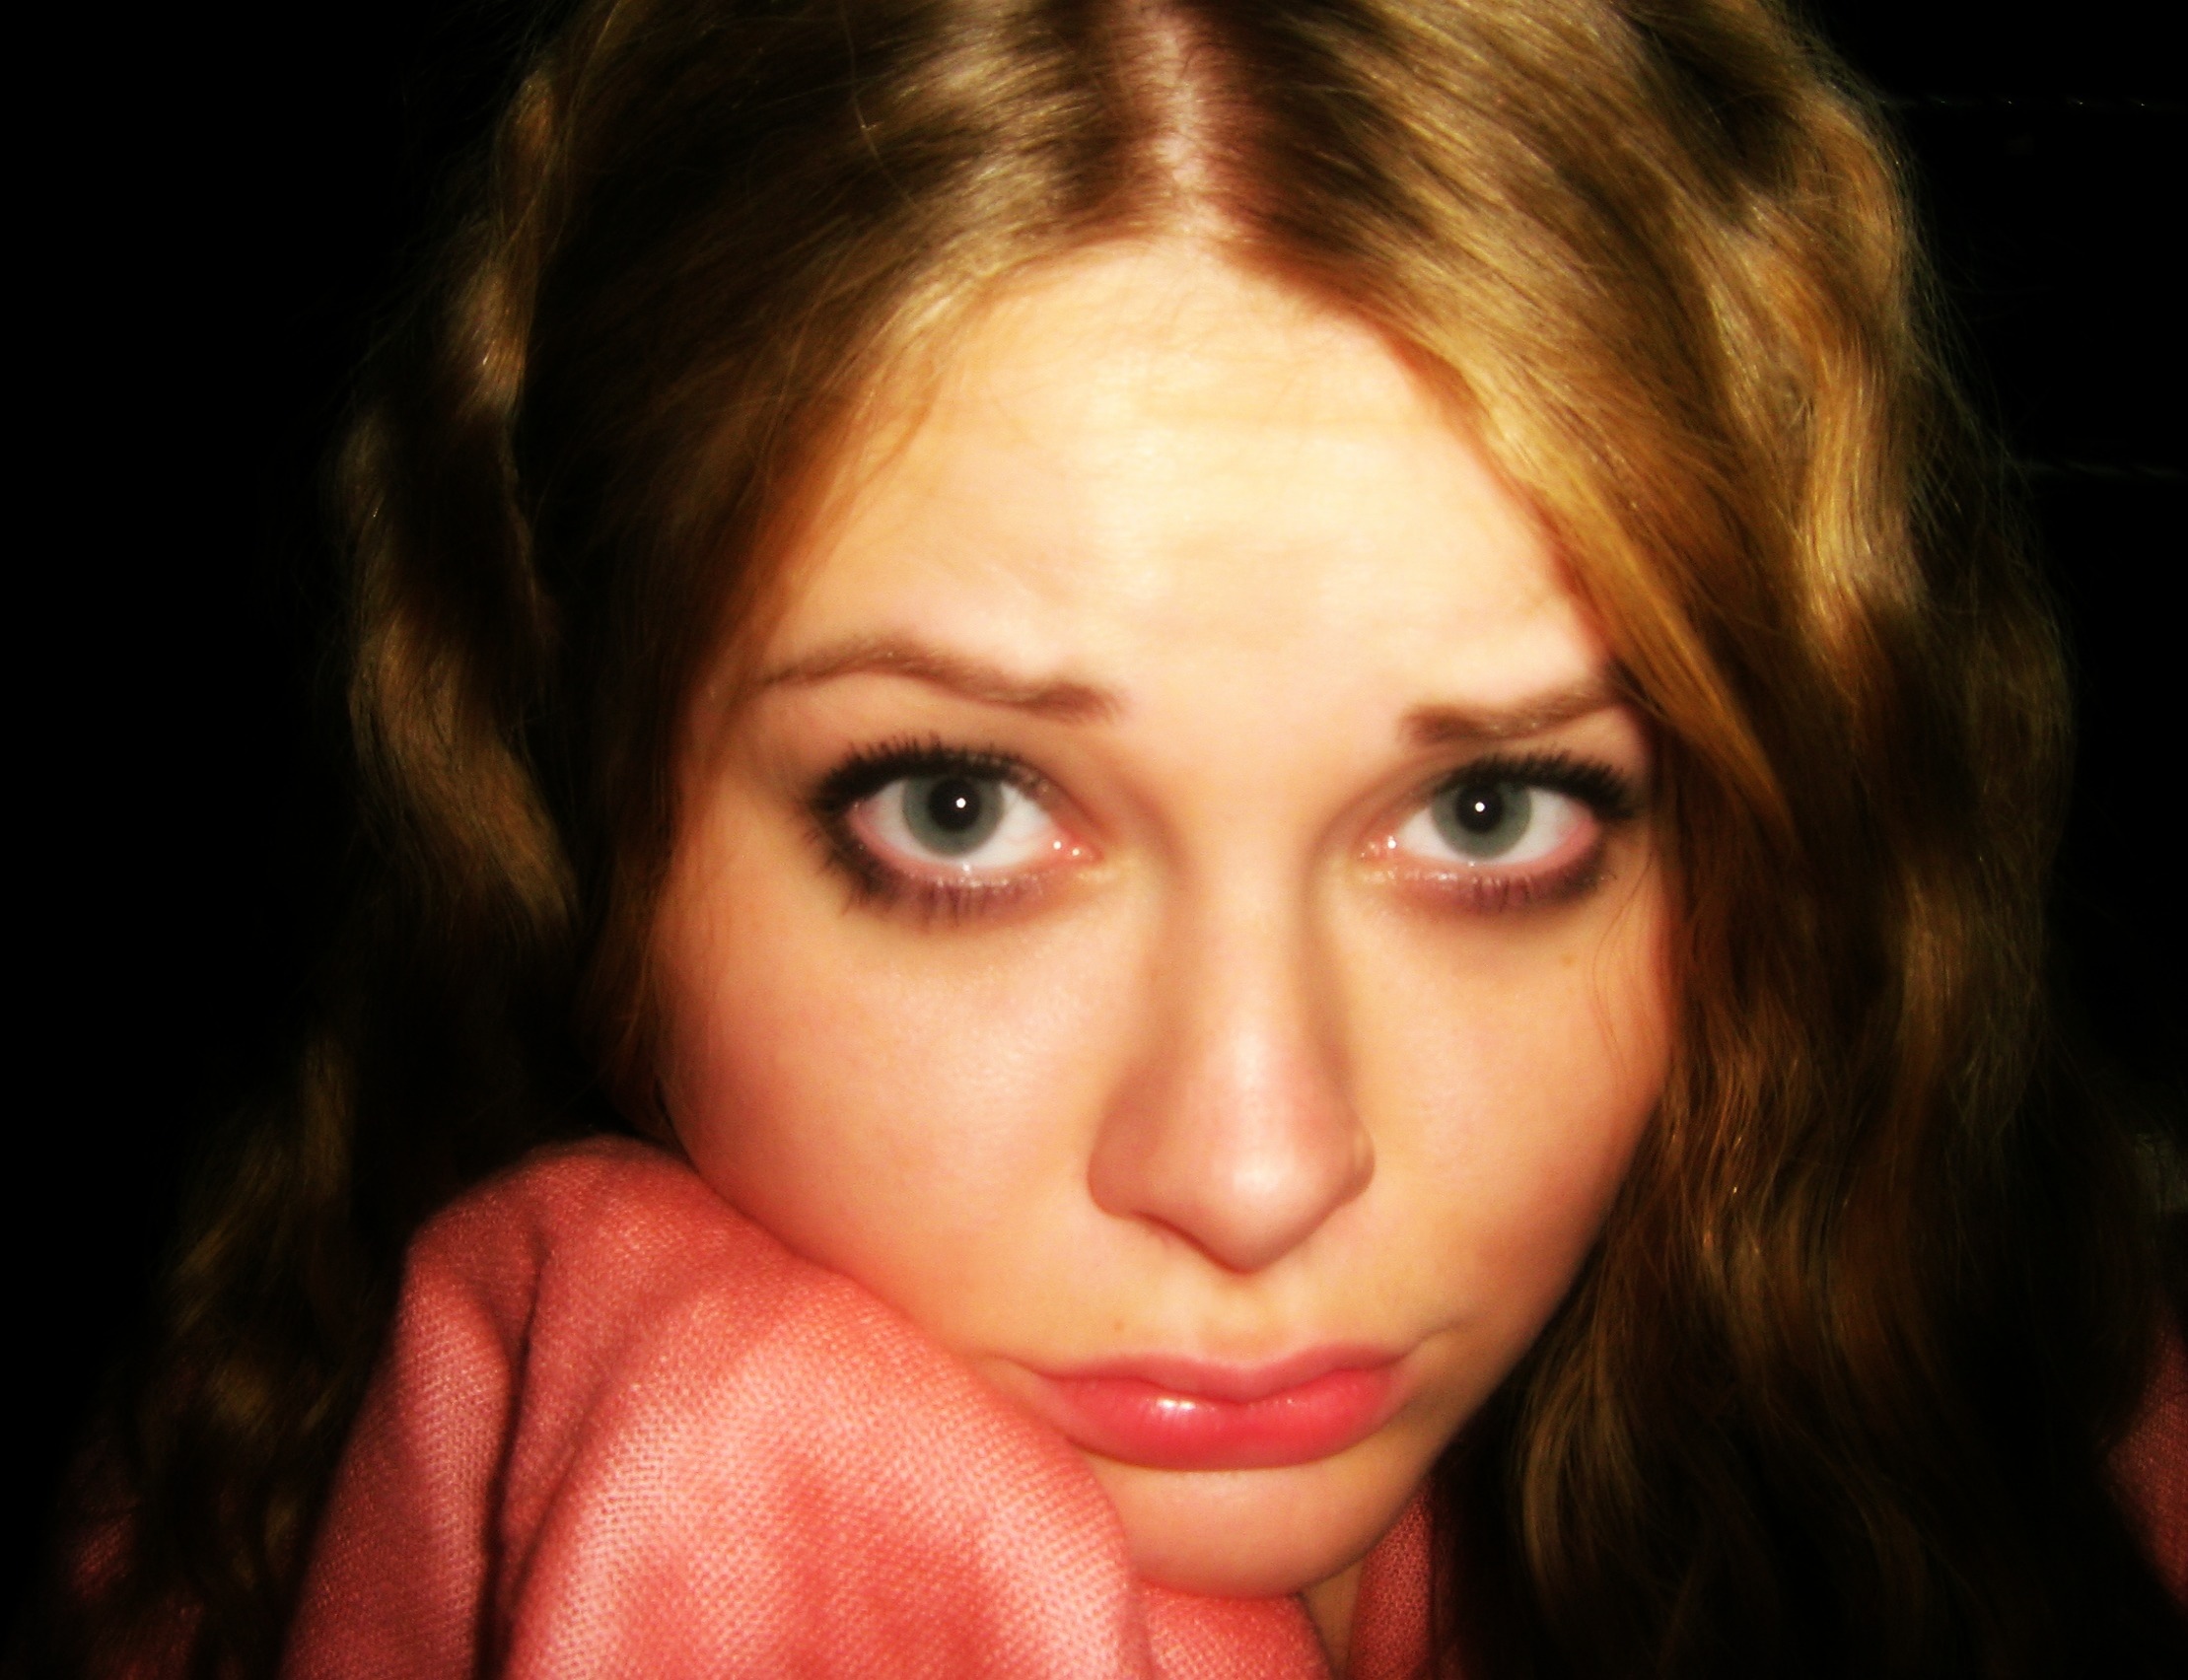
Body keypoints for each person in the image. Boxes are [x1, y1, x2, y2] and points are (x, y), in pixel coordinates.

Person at [35, 0, 2186, 1674]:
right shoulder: (282, 1543)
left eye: (1488, 810)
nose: (1253, 1172)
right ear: (574, 806)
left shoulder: (2062, 1441)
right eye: (959, 809)